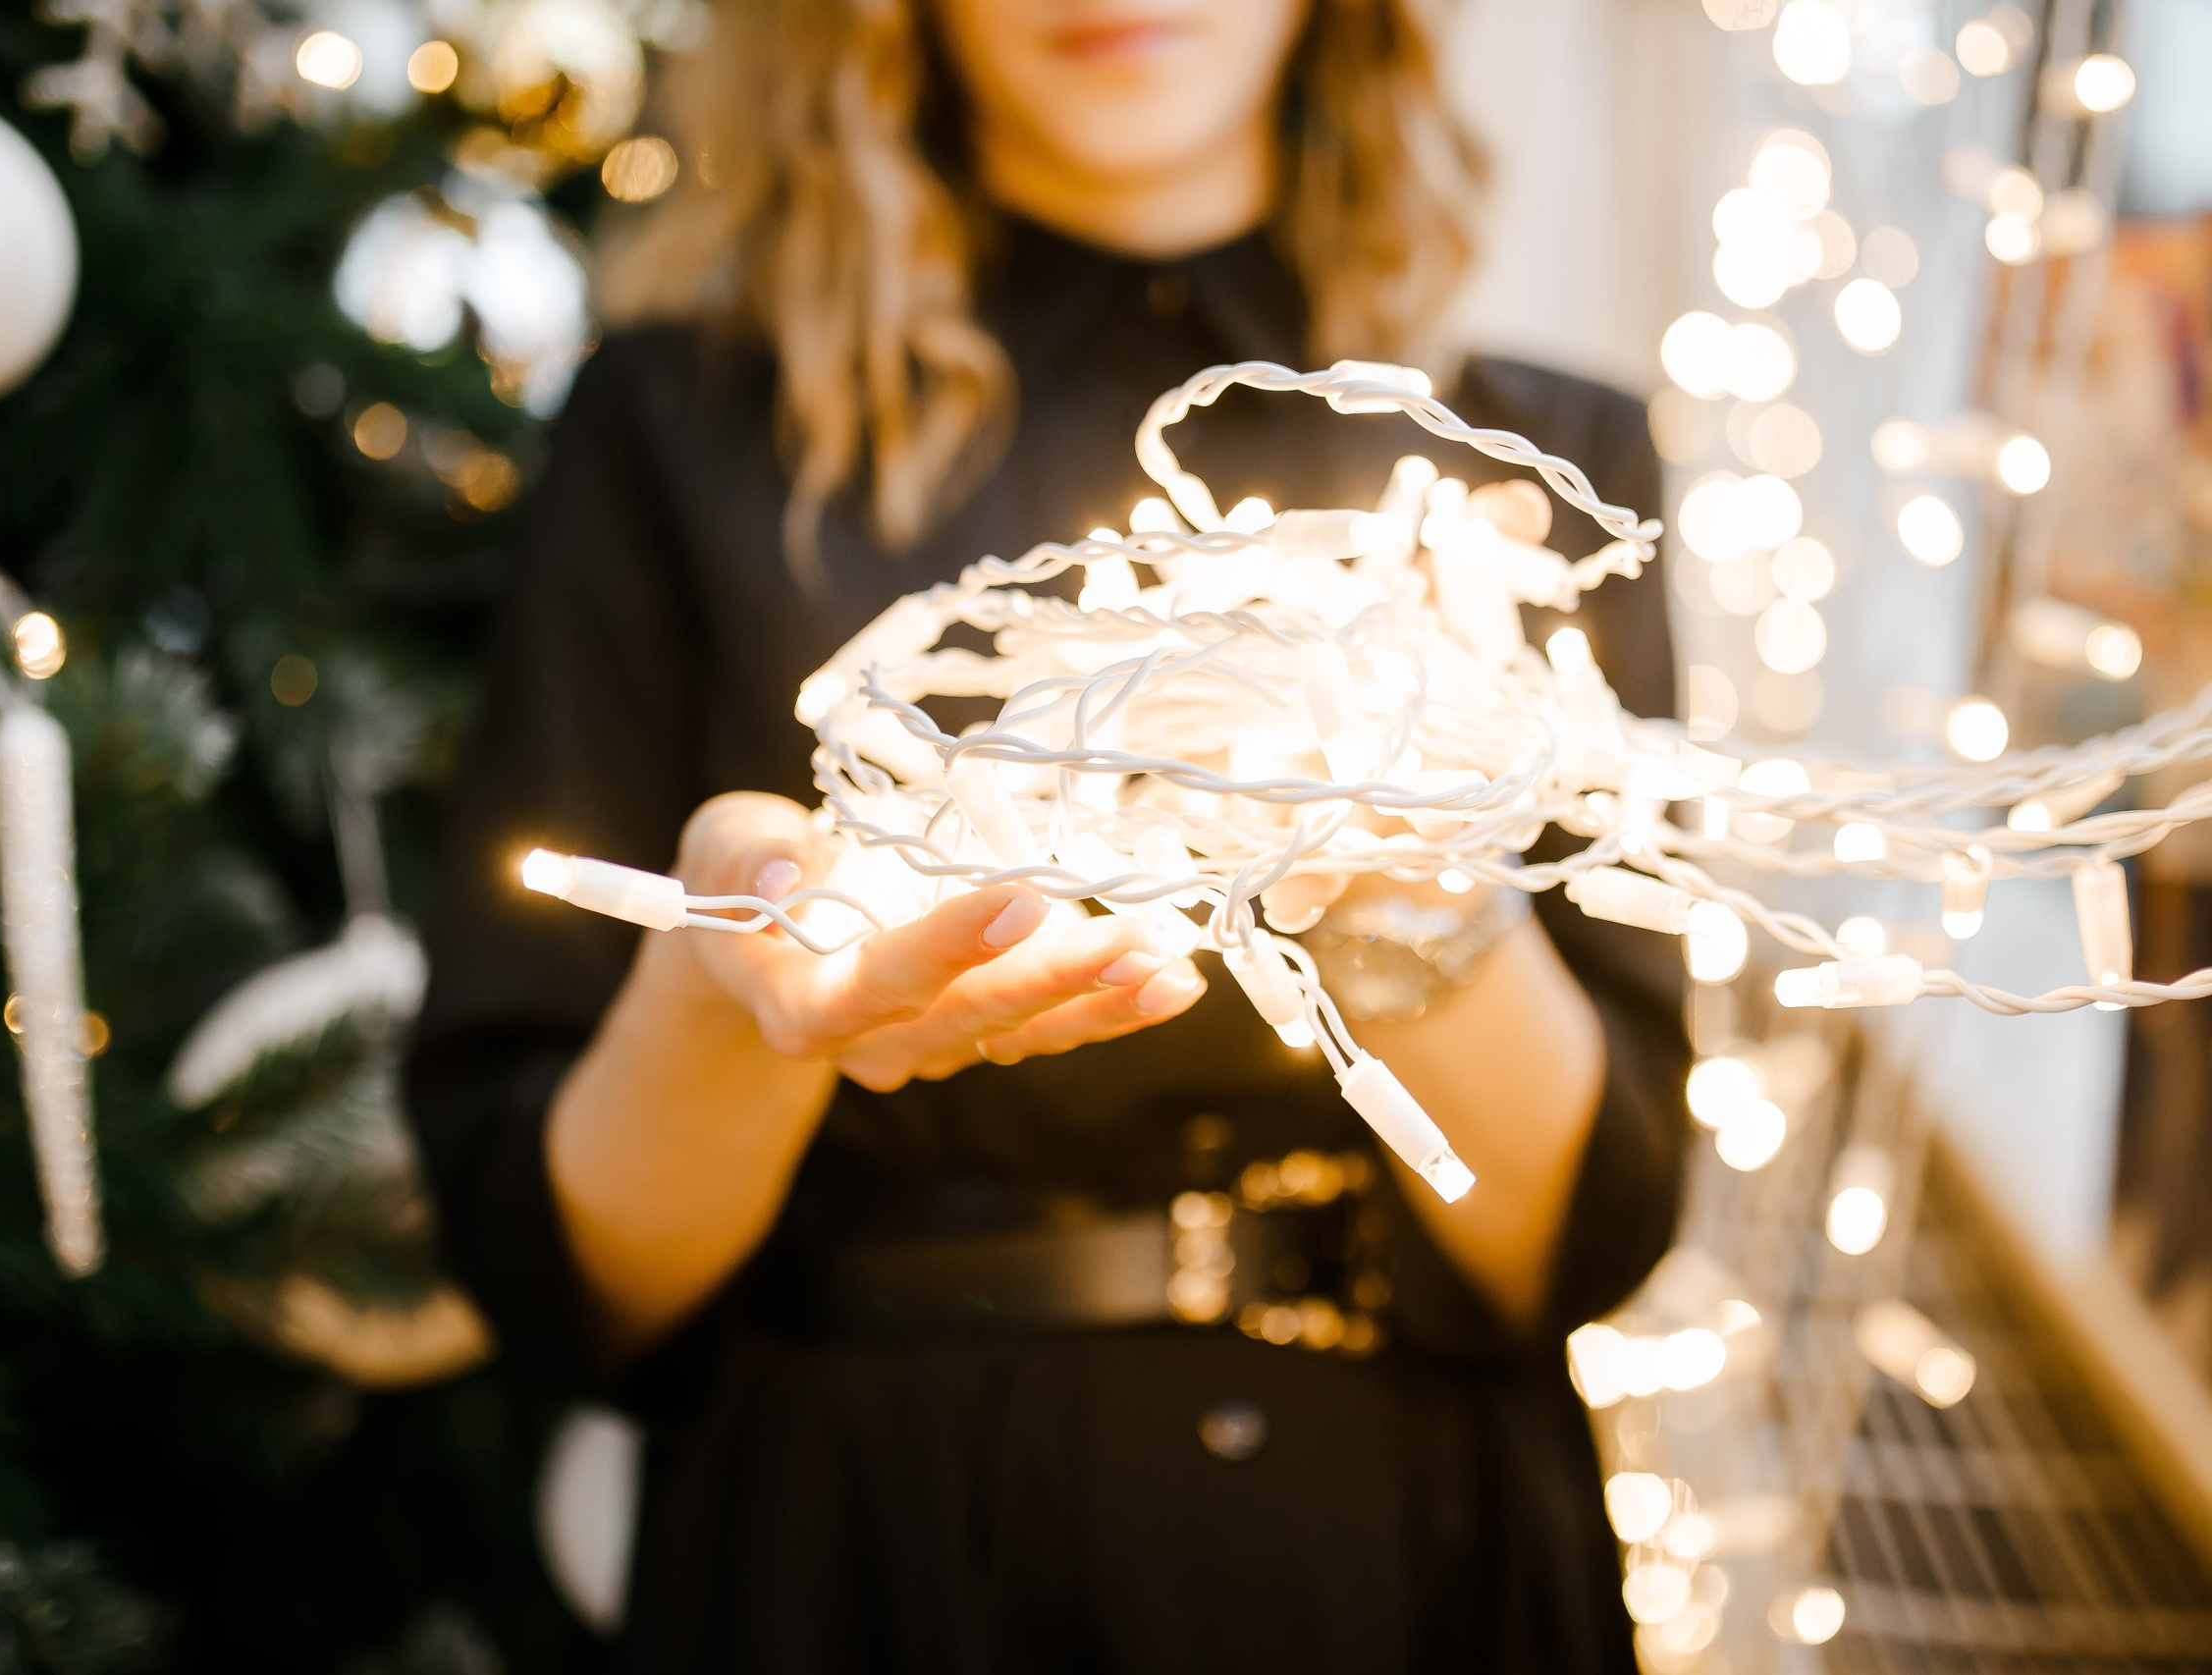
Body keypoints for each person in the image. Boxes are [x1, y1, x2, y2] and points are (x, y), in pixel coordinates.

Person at [406, 0, 1690, 1667]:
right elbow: (563, 1280)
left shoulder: (1526, 491)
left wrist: (1403, 890)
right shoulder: (671, 432)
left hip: (1395, 1553)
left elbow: (1583, 1235)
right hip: (855, 1551)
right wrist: (735, 995)